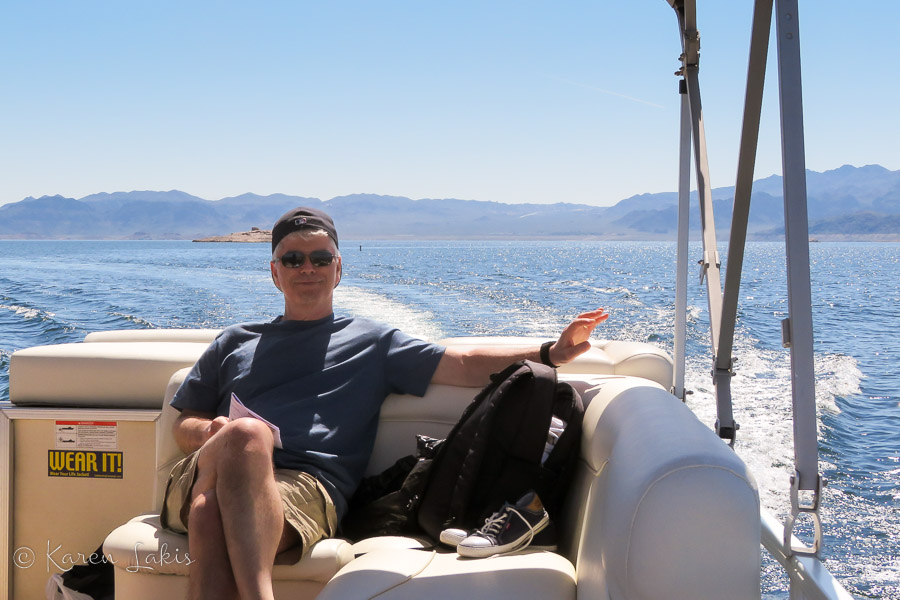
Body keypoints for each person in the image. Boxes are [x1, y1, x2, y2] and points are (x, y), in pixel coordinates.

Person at [161, 206, 609, 600]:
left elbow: (463, 363)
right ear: (274, 271)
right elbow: (185, 424)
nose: (307, 269)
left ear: (339, 270)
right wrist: (211, 433)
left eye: (320, 259)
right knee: (245, 436)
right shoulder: (234, 341)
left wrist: (552, 352)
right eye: (293, 259)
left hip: (306, 488)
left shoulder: (373, 343)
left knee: (208, 512)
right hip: (208, 466)